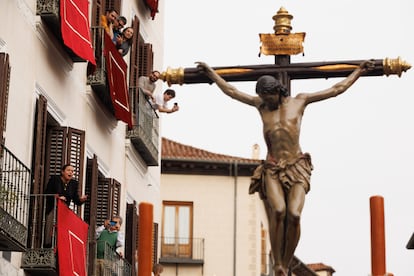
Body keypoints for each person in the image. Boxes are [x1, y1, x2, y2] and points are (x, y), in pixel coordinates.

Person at [196, 60, 375, 276]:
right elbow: (232, 91)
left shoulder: (300, 102)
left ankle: (286, 262)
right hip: (272, 167)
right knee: (278, 211)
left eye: (267, 96)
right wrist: (212, 74)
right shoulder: (260, 106)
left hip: (297, 166)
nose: (265, 101)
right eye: (262, 97)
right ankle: (279, 263)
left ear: (277, 92)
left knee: (294, 214)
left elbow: (336, 89)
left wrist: (358, 72)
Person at [44, 164, 88, 246]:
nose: (71, 172)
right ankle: (48, 244)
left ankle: (58, 245)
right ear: (62, 172)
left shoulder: (74, 184)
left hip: (64, 211)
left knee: (61, 230)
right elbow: (47, 193)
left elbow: (76, 200)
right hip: (52, 208)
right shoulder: (55, 179)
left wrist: (81, 200)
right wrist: (57, 197)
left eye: (72, 171)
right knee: (50, 227)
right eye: (68, 170)